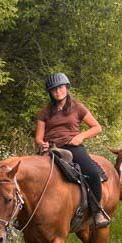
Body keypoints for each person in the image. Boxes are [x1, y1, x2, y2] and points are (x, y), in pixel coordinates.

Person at [34, 72, 110, 227]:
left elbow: (97, 127)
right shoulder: (45, 112)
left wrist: (80, 137)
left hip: (72, 146)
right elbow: (38, 138)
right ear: (50, 92)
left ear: (67, 88)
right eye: (54, 89)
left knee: (93, 173)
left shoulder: (77, 107)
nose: (58, 91)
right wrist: (43, 144)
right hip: (52, 148)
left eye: (61, 88)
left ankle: (97, 211)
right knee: (33, 177)